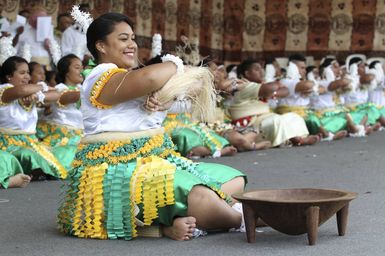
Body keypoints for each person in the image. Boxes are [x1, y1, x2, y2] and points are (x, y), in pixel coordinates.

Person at [58, 13, 246, 241]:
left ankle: (200, 215)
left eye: (133, 38)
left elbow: (194, 86)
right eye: (124, 38)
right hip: (120, 169)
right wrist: (175, 64)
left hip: (156, 161)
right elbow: (149, 79)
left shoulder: (134, 78)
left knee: (235, 179)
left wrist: (166, 98)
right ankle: (241, 219)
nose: (132, 45)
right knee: (202, 197)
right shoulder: (100, 77)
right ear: (101, 45)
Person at [0, 56, 67, 180]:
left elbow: (57, 95)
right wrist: (42, 86)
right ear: (9, 76)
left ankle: (33, 173)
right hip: (8, 144)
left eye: (28, 73)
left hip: (31, 142)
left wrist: (37, 97)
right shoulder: (4, 91)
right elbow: (23, 90)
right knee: (28, 155)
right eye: (22, 73)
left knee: (51, 160)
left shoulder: (30, 94)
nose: (27, 77)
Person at [228, 59, 319, 147]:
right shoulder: (243, 86)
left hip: (263, 120)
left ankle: (297, 138)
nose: (261, 71)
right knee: (276, 120)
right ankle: (297, 140)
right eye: (257, 69)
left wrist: (273, 92)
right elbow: (271, 88)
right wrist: (277, 85)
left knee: (294, 117)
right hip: (250, 126)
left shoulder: (260, 85)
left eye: (261, 68)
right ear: (247, 73)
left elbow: (286, 91)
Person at [36, 54, 83, 148]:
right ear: (67, 72)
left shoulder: (81, 88)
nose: (82, 71)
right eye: (77, 67)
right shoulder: (60, 89)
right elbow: (75, 96)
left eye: (82, 67)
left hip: (81, 134)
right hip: (64, 137)